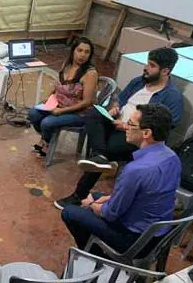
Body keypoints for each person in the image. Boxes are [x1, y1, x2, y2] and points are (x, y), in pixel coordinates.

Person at [54, 46, 183, 210]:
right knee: (93, 113)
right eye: (147, 63)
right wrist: (115, 108)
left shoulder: (172, 97)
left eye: (151, 65)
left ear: (165, 71)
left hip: (133, 136)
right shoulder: (138, 81)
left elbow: (163, 129)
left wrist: (128, 126)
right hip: (115, 122)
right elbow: (119, 100)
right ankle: (100, 155)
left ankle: (78, 195)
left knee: (108, 149)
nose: (145, 68)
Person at [60, 104, 181, 254]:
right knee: (96, 196)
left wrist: (93, 205)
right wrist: (104, 199)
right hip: (157, 231)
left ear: (146, 133)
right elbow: (145, 194)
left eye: (130, 123)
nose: (126, 126)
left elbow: (110, 214)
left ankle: (96, 255)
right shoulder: (172, 157)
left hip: (135, 239)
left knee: (70, 212)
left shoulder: (135, 170)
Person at [28, 37, 98, 156]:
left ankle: (47, 142)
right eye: (79, 50)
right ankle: (46, 138)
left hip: (79, 113)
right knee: (33, 113)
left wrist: (62, 111)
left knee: (46, 123)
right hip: (58, 105)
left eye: (87, 52)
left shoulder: (90, 74)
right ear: (73, 51)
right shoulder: (66, 64)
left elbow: (87, 102)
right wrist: (48, 97)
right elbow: (57, 84)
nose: (83, 55)